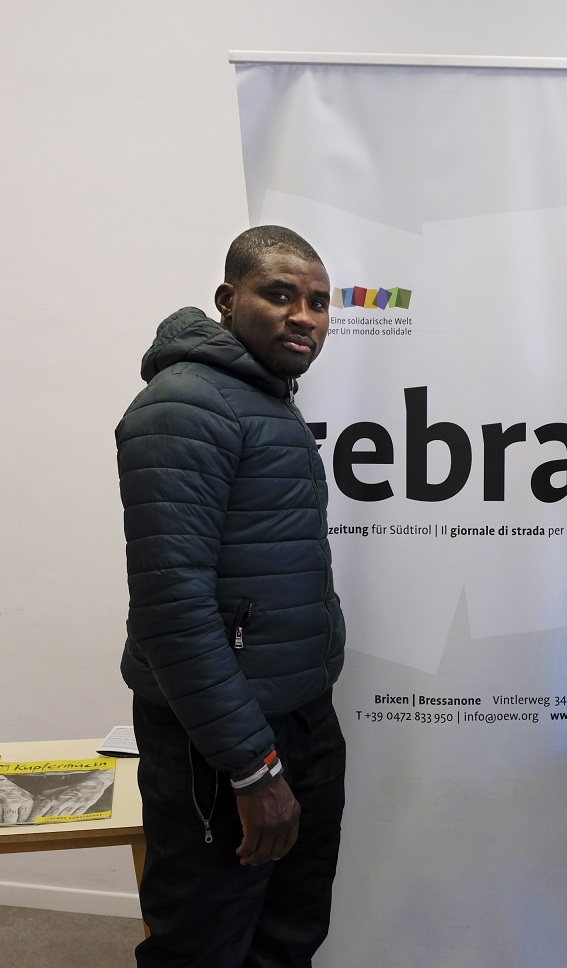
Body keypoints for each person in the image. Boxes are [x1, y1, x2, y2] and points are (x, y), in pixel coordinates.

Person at [117, 225, 347, 967]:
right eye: (280, 294)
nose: (303, 316)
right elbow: (170, 610)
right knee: (202, 945)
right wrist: (253, 766)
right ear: (227, 299)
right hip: (220, 744)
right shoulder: (183, 404)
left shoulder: (263, 402)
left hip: (296, 715)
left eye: (317, 301)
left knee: (286, 936)